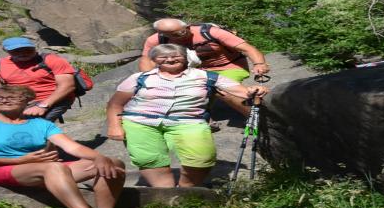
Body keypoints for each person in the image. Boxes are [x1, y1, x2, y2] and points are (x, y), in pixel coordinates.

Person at [0, 85, 128, 208]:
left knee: (113, 163)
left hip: (37, 168)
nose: (4, 100)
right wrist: (21, 161)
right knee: (53, 167)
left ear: (28, 101)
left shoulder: (41, 124)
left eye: (13, 97)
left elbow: (72, 148)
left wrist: (98, 157)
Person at [107, 44, 269, 187]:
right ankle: (165, 194)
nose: (170, 60)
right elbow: (115, 104)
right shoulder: (139, 78)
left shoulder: (206, 76)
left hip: (189, 121)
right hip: (140, 122)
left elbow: (241, 91)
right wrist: (115, 126)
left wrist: (255, 90)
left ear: (186, 58)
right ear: (155, 60)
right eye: (163, 57)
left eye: (176, 56)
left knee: (201, 158)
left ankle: (188, 190)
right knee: (149, 159)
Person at [139, 18, 270, 117]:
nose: (180, 36)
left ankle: (257, 118)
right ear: (161, 33)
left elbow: (247, 48)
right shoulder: (155, 40)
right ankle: (199, 120)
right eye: (173, 35)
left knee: (220, 88)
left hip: (228, 67)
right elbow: (147, 59)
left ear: (188, 26)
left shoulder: (210, 32)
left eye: (182, 32)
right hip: (193, 71)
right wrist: (150, 78)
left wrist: (259, 64)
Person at [0, 37, 77, 122]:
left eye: (27, 49)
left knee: (33, 125)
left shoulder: (52, 60)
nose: (23, 53)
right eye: (16, 51)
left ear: (34, 48)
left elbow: (68, 86)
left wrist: (43, 106)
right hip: (18, 101)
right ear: (6, 51)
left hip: (51, 99)